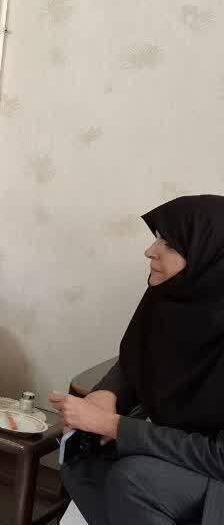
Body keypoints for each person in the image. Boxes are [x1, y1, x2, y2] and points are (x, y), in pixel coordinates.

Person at [50, 195, 224, 525]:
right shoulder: (172, 294)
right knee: (81, 458)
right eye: (157, 238)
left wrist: (111, 424)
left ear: (210, 256)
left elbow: (218, 456)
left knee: (134, 479)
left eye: (169, 244)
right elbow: (141, 354)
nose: (150, 251)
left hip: (216, 469)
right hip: (180, 446)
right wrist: (107, 395)